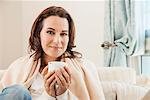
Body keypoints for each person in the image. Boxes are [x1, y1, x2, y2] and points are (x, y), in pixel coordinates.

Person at [0, 6, 105, 100]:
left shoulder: (84, 68)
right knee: (17, 91)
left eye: (63, 34)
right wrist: (48, 95)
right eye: (50, 32)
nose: (57, 41)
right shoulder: (19, 66)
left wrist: (62, 95)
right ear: (38, 33)